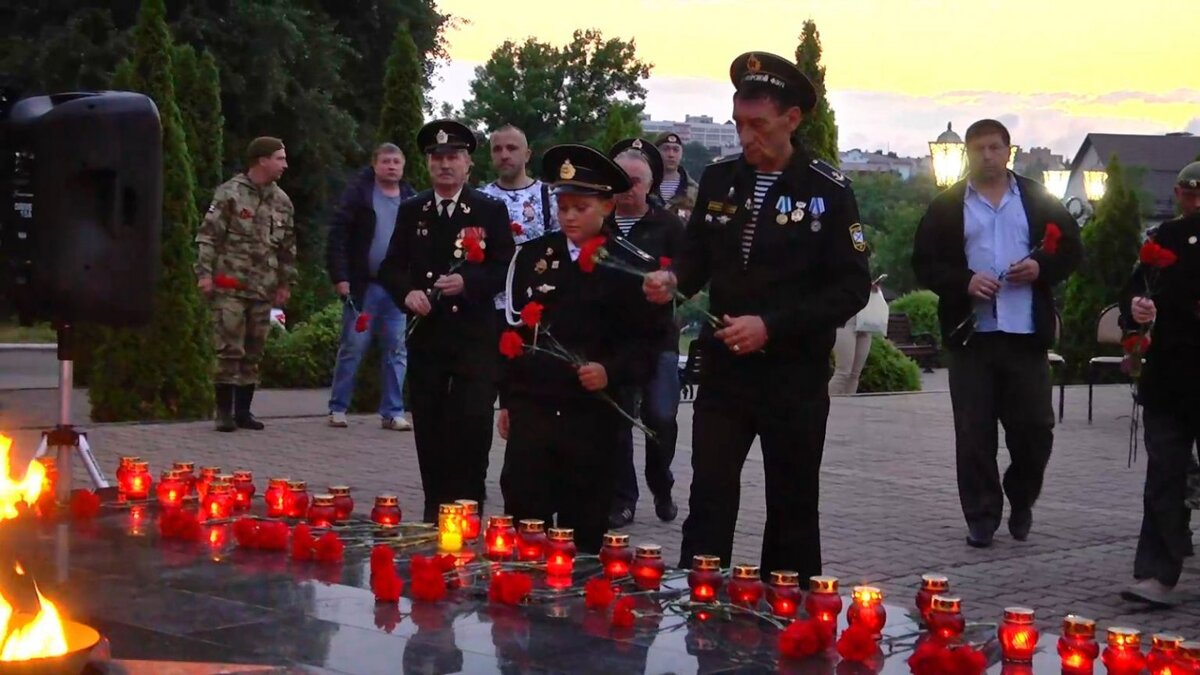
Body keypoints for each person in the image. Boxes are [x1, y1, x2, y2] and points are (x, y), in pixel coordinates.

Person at [643, 52, 871, 580]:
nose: (746, 137)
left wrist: (772, 324)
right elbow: (698, 257)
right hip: (725, 371)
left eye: (758, 125)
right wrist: (673, 280)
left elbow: (851, 286)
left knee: (792, 501)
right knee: (710, 495)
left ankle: (788, 619)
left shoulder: (826, 189)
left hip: (793, 374)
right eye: (738, 124)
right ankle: (699, 604)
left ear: (792, 120)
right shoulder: (721, 180)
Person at [912, 119, 1082, 548]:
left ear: (1009, 150)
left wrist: (1041, 269)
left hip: (1025, 334)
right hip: (972, 335)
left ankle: (1021, 497)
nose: (986, 156)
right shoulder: (948, 205)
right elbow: (925, 263)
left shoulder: (1037, 199)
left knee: (1035, 429)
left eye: (994, 148)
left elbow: (1072, 249)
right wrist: (964, 281)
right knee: (974, 433)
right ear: (969, 155)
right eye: (978, 150)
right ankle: (982, 516)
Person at [497, 144, 656, 553]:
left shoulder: (629, 264)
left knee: (582, 527)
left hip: (591, 414)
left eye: (580, 207)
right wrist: (508, 401)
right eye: (563, 206)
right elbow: (513, 336)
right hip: (534, 409)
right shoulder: (534, 257)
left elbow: (649, 342)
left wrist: (611, 370)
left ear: (607, 205)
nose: (568, 216)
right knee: (525, 519)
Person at [377, 120, 514, 522]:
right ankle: (434, 509)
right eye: (437, 158)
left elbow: (506, 265)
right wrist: (407, 293)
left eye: (453, 157)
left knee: (472, 426)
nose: (445, 165)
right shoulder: (413, 209)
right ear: (427, 164)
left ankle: (468, 509)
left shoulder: (488, 210)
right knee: (431, 426)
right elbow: (391, 268)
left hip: (474, 337)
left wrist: (468, 281)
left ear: (468, 163)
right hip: (428, 338)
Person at [1118, 206, 1200, 606]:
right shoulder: (1168, 235)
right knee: (1164, 476)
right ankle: (1157, 572)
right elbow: (1134, 290)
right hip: (1172, 377)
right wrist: (1137, 308)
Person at [605, 137, 685, 528]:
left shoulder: (668, 226)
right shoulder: (598, 224)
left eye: (635, 181)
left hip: (657, 340)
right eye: (621, 179)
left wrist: (671, 283)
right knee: (616, 424)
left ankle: (662, 481)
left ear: (650, 184)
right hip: (613, 341)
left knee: (661, 418)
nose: (628, 188)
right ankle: (623, 499)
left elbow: (688, 275)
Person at [195, 137, 296, 432]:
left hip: (263, 287)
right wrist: (204, 273)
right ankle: (223, 412)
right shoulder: (230, 193)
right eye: (279, 158)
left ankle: (244, 411)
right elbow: (208, 236)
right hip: (230, 283)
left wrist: (285, 282)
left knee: (255, 347)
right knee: (229, 347)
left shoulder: (282, 201)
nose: (284, 165)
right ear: (261, 160)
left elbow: (288, 246)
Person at [325, 143, 417, 430]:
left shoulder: (411, 199)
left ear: (403, 167)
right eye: (386, 161)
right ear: (375, 164)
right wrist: (341, 277)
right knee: (353, 346)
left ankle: (393, 411)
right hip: (364, 285)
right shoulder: (359, 196)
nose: (391, 166)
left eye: (396, 162)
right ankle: (338, 407)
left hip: (397, 288)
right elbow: (338, 237)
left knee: (396, 349)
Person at [829, 276, 880, 396]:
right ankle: (826, 407)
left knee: (855, 374)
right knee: (843, 372)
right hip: (846, 318)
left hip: (865, 318)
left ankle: (848, 407)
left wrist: (871, 287)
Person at [655, 132, 698, 219]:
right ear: (656, 152)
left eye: (676, 150)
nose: (671, 155)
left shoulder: (694, 191)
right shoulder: (645, 188)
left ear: (681, 154)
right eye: (665, 149)